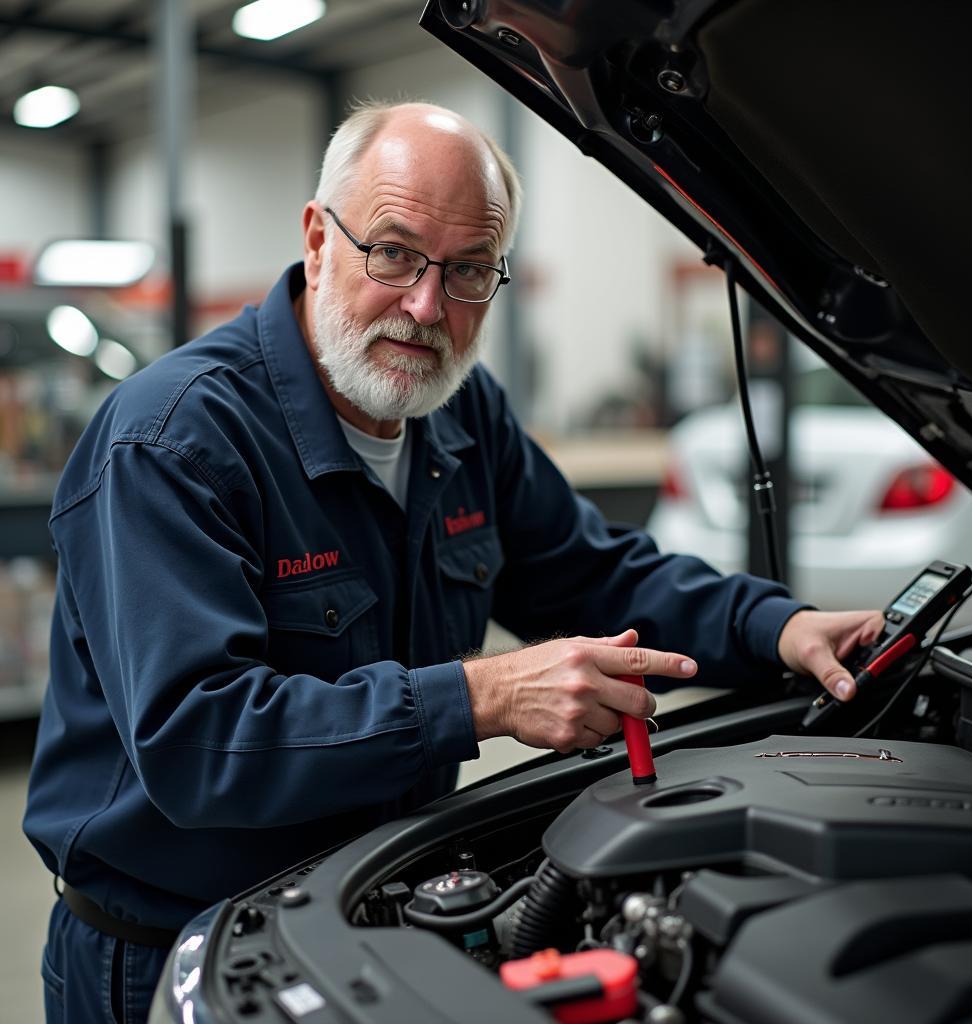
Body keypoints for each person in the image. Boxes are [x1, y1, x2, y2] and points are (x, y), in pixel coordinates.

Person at [24, 101, 882, 1023]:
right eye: (393, 252)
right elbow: (197, 739)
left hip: (367, 913)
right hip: (170, 955)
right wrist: (486, 695)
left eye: (469, 270)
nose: (426, 306)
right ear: (318, 238)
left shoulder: (462, 418)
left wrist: (777, 627)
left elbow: (595, 575)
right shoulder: (173, 440)